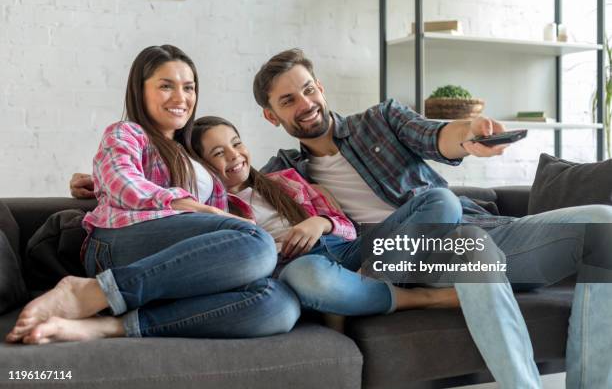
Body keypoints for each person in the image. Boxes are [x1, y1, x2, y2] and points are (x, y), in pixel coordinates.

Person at [250, 49, 612, 388]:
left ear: (320, 88)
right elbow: (242, 217)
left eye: (308, 90)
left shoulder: (380, 120)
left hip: (472, 233)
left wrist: (468, 133)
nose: (306, 104)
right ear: (271, 116)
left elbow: (437, 135)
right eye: (288, 101)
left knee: (603, 224)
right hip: (395, 265)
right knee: (469, 243)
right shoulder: (280, 178)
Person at [6, 45, 300, 345]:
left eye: (188, 87)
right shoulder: (126, 133)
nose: (180, 98)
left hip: (177, 267)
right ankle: (92, 292)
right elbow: (122, 180)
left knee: (278, 304)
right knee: (256, 244)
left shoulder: (193, 154)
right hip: (120, 241)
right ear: (139, 90)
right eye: (166, 86)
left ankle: (110, 326)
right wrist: (196, 208)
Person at [190, 116, 460, 321]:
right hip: (299, 267)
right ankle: (420, 298)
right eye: (218, 153)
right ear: (201, 167)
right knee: (306, 275)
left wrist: (321, 222)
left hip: (346, 251)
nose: (234, 154)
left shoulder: (285, 181)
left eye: (235, 143)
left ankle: (358, 290)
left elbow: (348, 230)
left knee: (442, 200)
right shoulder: (214, 209)